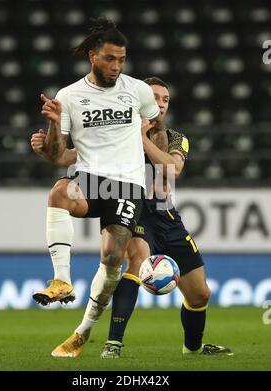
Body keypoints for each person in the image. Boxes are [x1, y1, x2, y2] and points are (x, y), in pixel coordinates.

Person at [31, 76, 233, 358]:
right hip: (135, 210)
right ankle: (113, 343)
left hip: (167, 218)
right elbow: (69, 157)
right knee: (135, 260)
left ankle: (193, 348)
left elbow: (173, 170)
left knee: (200, 295)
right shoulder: (115, 134)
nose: (160, 104)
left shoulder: (175, 137)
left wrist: (141, 138)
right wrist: (46, 149)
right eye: (155, 98)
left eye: (165, 100)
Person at [31, 17, 164, 358]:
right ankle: (61, 280)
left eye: (121, 59)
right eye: (110, 58)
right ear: (92, 56)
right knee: (58, 193)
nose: (117, 66)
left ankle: (83, 331)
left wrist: (161, 171)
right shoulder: (70, 96)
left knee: (111, 258)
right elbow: (58, 156)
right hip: (90, 178)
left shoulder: (137, 90)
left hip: (128, 185)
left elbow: (157, 127)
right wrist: (53, 124)